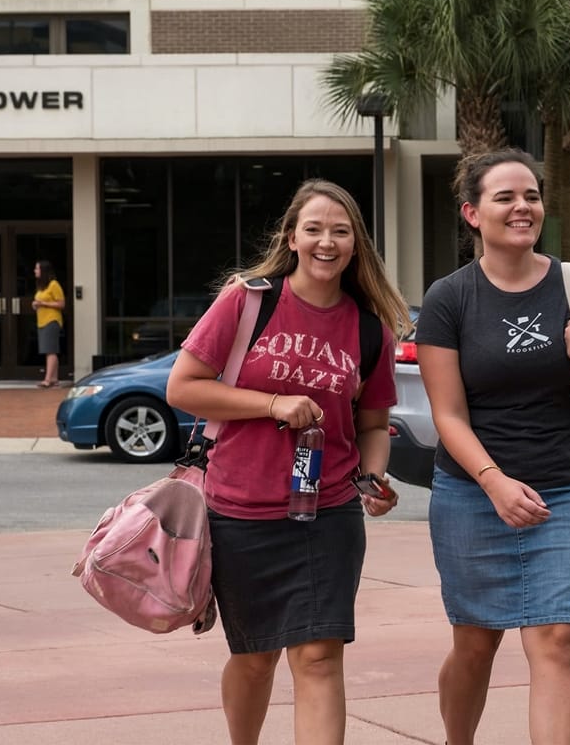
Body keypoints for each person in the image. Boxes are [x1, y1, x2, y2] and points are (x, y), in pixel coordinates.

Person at [166, 178, 412, 745]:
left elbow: (373, 423)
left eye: (341, 231)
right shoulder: (249, 301)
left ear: (356, 244)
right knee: (256, 658)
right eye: (315, 229)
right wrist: (272, 404)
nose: (328, 242)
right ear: (292, 237)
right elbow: (183, 387)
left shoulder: (368, 328)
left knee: (321, 657)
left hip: (328, 513)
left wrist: (374, 475)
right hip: (241, 511)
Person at [415, 149, 570, 745]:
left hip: (560, 490)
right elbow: (447, 414)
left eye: (530, 195)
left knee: (558, 639)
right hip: (471, 494)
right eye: (504, 197)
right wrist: (494, 482)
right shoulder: (449, 298)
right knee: (476, 643)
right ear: (472, 213)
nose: (521, 207)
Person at [31, 260, 66, 387]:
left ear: (43, 271)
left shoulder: (54, 285)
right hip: (42, 321)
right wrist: (36, 305)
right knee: (49, 350)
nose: (35, 271)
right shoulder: (42, 287)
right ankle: (54, 379)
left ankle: (47, 379)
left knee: (50, 350)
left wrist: (43, 304)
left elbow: (61, 304)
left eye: (37, 269)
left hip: (52, 320)